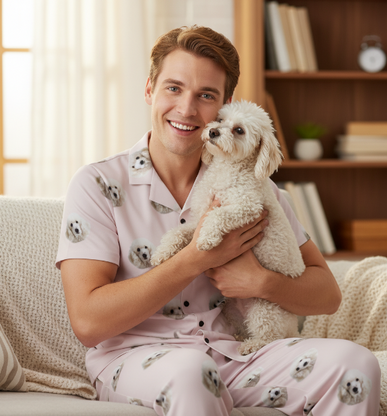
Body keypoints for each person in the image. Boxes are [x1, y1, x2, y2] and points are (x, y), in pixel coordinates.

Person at [56, 26, 380, 416]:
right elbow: (88, 323)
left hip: (236, 355)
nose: (187, 109)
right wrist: (195, 258)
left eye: (205, 95)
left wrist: (261, 282)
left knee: (356, 363)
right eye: (173, 88)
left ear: (225, 105)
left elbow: (327, 295)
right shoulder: (97, 184)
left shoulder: (258, 189)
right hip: (136, 358)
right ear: (149, 90)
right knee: (194, 373)